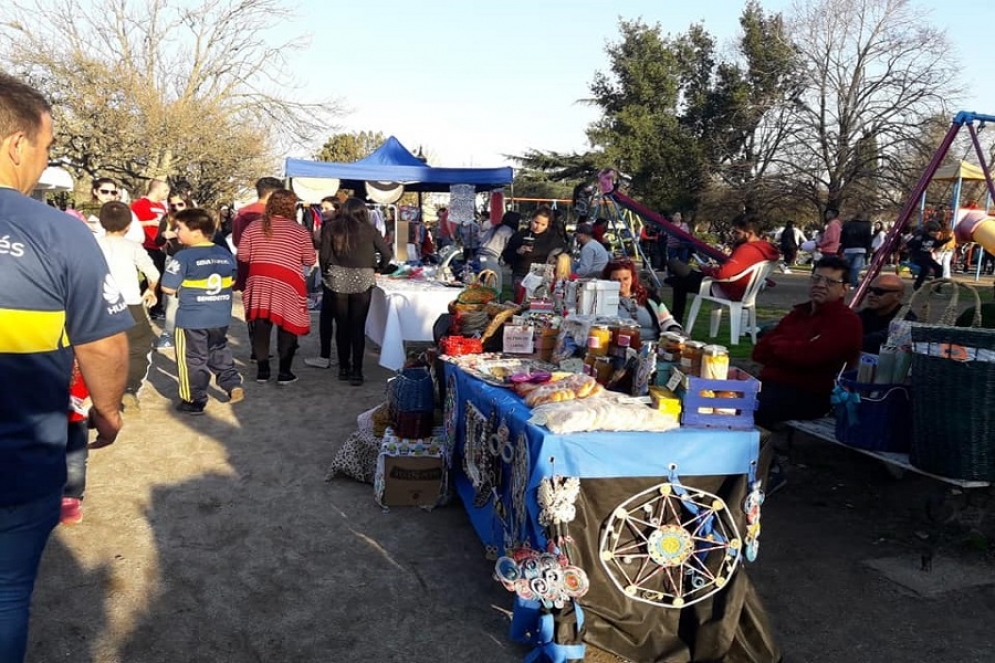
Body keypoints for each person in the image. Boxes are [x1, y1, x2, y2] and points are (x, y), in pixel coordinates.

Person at [0, 72, 132, 663]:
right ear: (16, 145)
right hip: (17, 454)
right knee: (5, 594)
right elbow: (102, 347)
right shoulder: (59, 232)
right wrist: (107, 413)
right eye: (47, 147)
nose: (44, 161)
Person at [752, 256, 863, 427]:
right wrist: (793, 348)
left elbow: (809, 357)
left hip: (810, 395)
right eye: (816, 279)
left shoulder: (846, 321)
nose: (820, 285)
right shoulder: (798, 314)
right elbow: (759, 352)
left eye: (830, 282)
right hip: (771, 385)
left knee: (747, 408)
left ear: (844, 289)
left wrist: (779, 343)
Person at [160, 208, 244, 414]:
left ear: (196, 231)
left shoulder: (183, 257)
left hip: (191, 319)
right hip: (220, 316)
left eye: (179, 228)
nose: (176, 233)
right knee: (218, 349)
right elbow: (232, 280)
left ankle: (193, 400)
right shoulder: (224, 253)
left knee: (192, 359)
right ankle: (232, 383)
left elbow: (167, 288)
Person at [239, 189, 317, 385]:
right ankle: (284, 372)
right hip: (289, 282)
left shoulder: (254, 227)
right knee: (287, 326)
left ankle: (262, 371)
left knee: (261, 326)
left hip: (259, 280)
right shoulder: (299, 231)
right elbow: (309, 258)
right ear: (291, 207)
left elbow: (242, 256)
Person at [319, 197, 393, 385]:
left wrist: (326, 273)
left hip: (337, 277)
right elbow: (386, 254)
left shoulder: (331, 228)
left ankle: (344, 368)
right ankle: (357, 372)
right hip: (363, 277)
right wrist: (378, 268)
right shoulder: (370, 230)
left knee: (342, 324)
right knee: (357, 326)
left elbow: (324, 255)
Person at [96, 201, 160, 410]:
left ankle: (100, 393)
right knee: (139, 346)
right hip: (130, 303)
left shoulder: (92, 244)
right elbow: (153, 273)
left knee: (100, 350)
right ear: (129, 225)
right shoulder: (133, 247)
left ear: (101, 222)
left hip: (100, 305)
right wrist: (151, 289)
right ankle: (129, 389)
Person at [664, 213, 780, 324]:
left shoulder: (747, 249)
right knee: (678, 281)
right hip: (740, 289)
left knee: (674, 265)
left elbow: (723, 273)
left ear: (749, 233)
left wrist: (707, 269)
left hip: (725, 287)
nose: (733, 235)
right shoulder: (765, 248)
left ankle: (674, 319)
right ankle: (674, 317)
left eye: (736, 232)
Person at [604, 259, 682, 342]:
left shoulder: (649, 297)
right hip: (617, 345)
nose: (621, 283)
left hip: (652, 346)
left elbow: (666, 320)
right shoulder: (602, 300)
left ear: (633, 278)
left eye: (625, 279)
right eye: (615, 280)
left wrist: (675, 330)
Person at [131, 179, 171, 317]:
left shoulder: (161, 206)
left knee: (160, 276)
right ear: (156, 189)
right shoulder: (139, 204)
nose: (167, 193)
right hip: (145, 245)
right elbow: (130, 223)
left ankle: (150, 301)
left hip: (160, 246)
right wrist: (150, 223)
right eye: (165, 190)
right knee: (154, 275)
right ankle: (155, 308)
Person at [502, 206, 567, 287]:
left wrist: (555, 260)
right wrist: (518, 251)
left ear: (548, 225)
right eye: (536, 222)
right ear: (531, 219)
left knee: (538, 299)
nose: (538, 227)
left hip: (542, 276)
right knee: (520, 298)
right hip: (521, 274)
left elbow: (564, 251)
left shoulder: (552, 238)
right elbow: (506, 256)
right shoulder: (519, 236)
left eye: (543, 224)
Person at [858, 274, 916, 353]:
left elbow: (884, 338)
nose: (871, 295)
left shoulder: (907, 319)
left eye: (879, 291)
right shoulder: (866, 313)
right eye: (869, 290)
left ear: (898, 296)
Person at [82, 177, 145, 243]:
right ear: (95, 191)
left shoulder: (122, 211)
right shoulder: (83, 210)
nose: (109, 195)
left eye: (113, 192)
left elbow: (139, 237)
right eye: (104, 191)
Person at [477, 210, 519, 292]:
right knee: (495, 286)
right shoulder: (509, 231)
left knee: (481, 284)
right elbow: (509, 248)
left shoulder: (495, 227)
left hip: (479, 255)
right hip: (491, 257)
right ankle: (493, 303)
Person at [839, 215, 873, 287]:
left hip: (848, 249)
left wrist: (842, 247)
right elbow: (868, 240)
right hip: (861, 249)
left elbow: (842, 238)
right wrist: (868, 252)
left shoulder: (846, 225)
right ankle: (853, 283)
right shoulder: (866, 226)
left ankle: (844, 281)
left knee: (846, 267)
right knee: (855, 268)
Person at [908, 221, 942, 290]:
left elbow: (936, 244)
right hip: (917, 257)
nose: (936, 233)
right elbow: (910, 244)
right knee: (925, 268)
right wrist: (917, 242)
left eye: (937, 231)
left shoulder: (932, 238)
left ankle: (937, 287)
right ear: (928, 230)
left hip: (926, 256)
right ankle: (917, 285)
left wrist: (945, 241)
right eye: (934, 231)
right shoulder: (920, 236)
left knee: (939, 268)